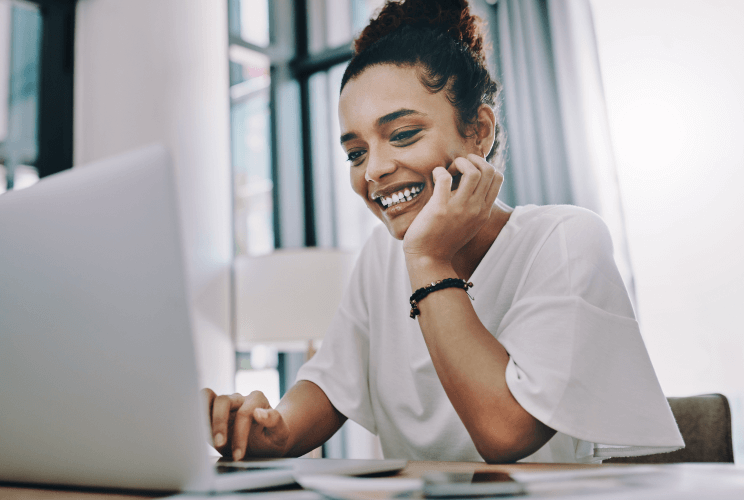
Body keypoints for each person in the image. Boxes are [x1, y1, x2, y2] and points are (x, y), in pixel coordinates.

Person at [203, 0, 683, 463]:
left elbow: (506, 433)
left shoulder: (565, 239)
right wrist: (272, 430)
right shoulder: (380, 256)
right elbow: (328, 384)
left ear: (479, 131)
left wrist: (429, 260)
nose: (374, 170)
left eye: (403, 135)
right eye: (355, 153)